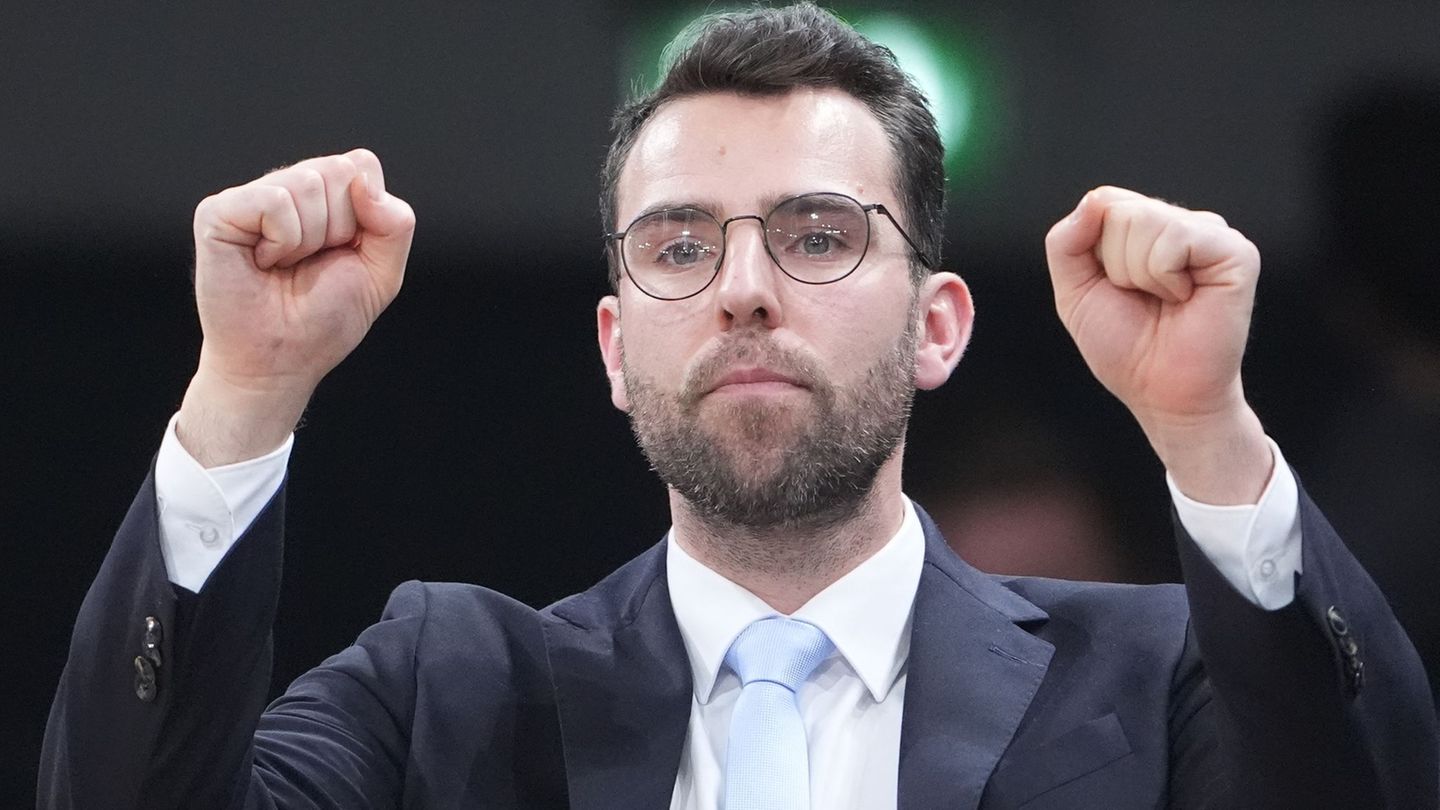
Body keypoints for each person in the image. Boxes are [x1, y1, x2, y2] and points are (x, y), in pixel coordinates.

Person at [40, 4, 1436, 808]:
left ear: (936, 322)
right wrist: (245, 391)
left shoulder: (1153, 679)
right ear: (611, 345)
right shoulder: (447, 693)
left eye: (819, 233)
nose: (745, 289)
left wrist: (1207, 427)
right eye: (679, 242)